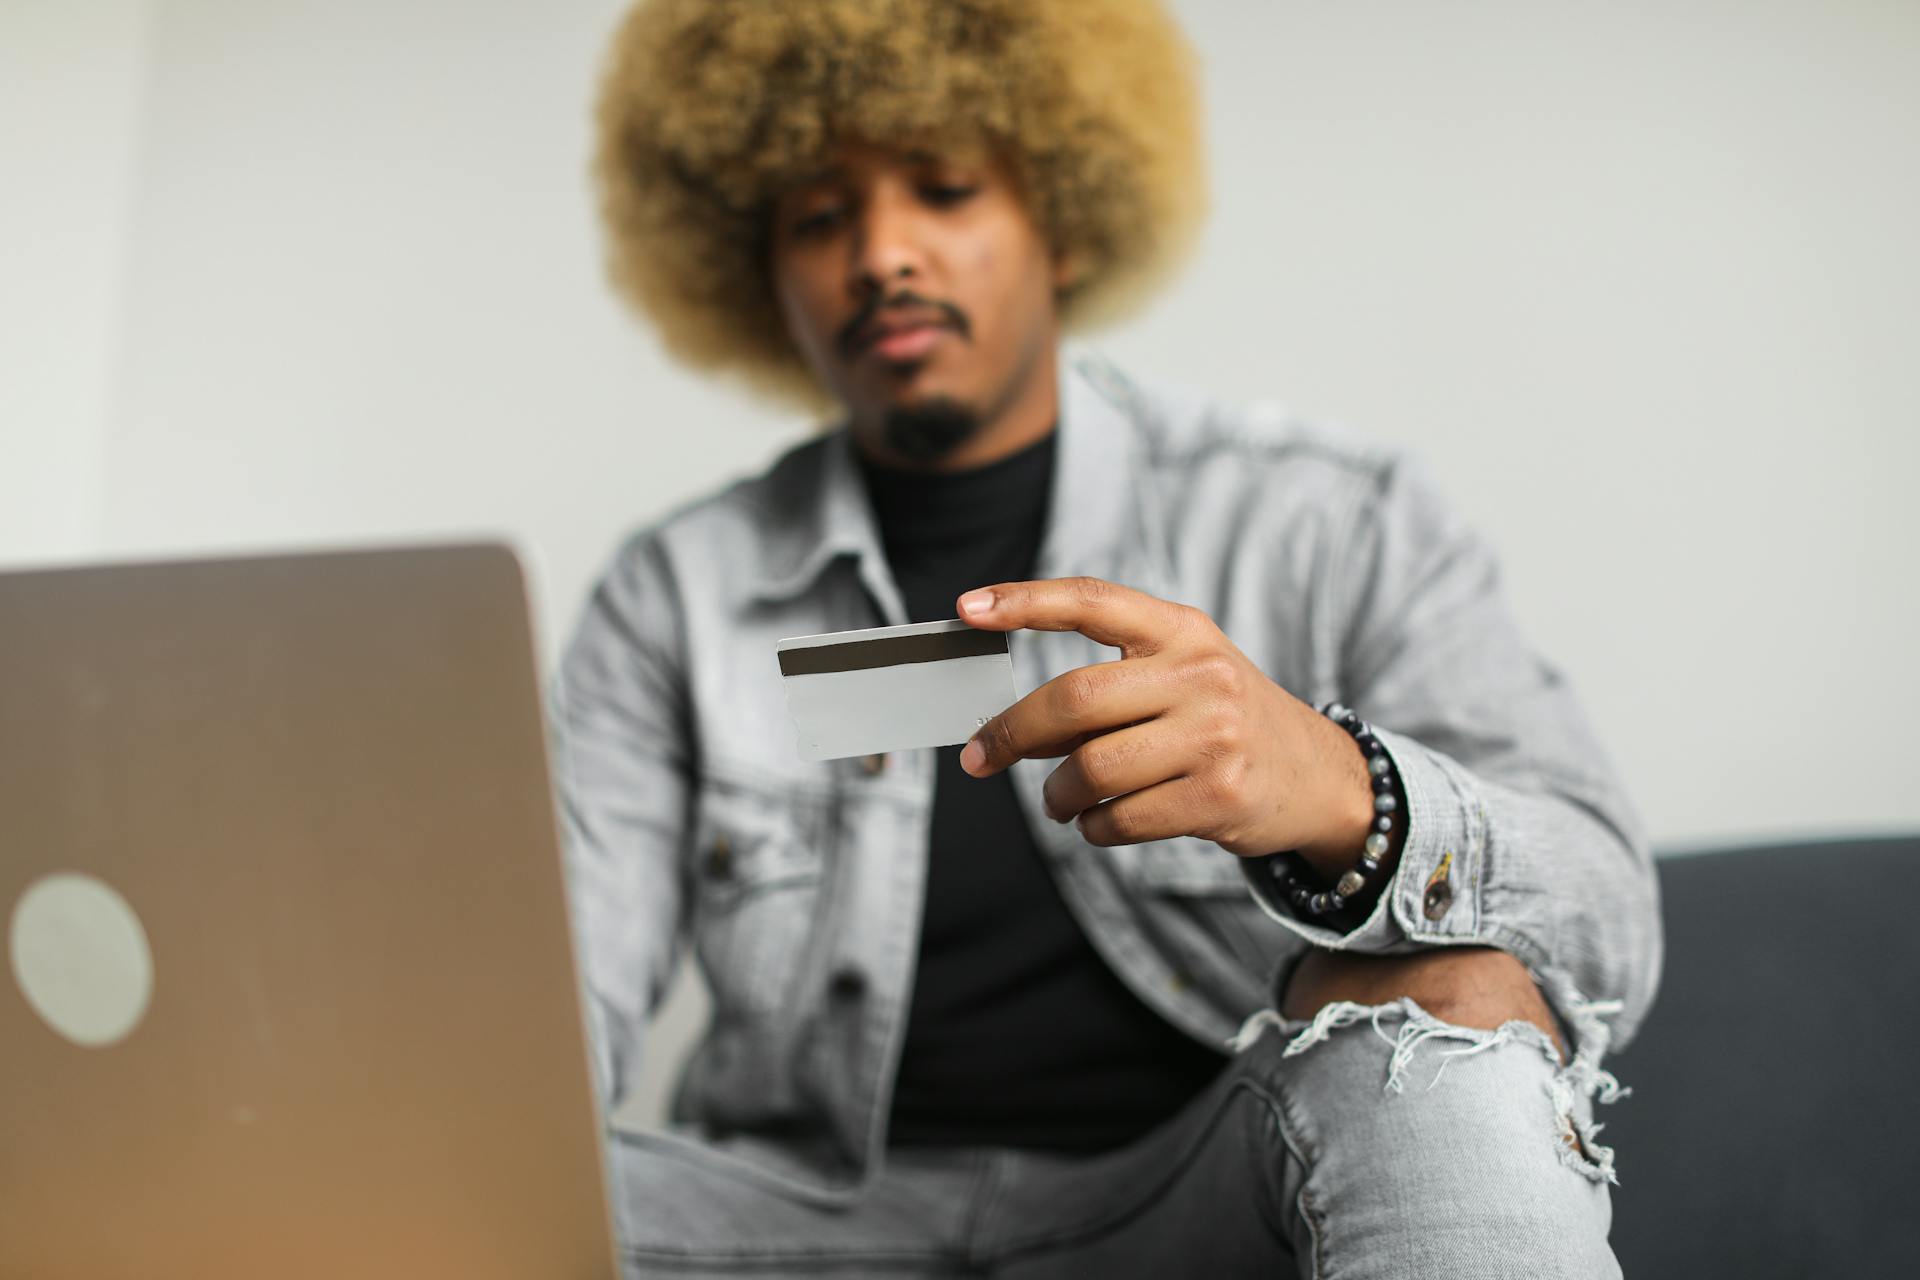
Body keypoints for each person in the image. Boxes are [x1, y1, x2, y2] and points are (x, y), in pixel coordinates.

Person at [554, 1, 1661, 1274]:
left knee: (1461, 1010)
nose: (882, 254)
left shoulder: (1322, 519)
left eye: (945, 188)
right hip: (798, 1230)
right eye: (819, 216)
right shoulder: (674, 596)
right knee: (422, 1179)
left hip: (1200, 1206)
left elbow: (1606, 921)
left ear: (1065, 219)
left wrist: (1339, 791)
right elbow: (553, 1011)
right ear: (762, 280)